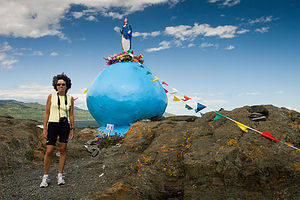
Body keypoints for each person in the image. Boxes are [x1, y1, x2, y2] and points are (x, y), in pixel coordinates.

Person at [40, 73, 74, 188]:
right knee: (49, 150)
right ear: (55, 85)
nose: (61, 86)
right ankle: (45, 177)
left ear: (67, 85)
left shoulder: (69, 98)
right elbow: (47, 112)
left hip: (64, 125)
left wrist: (72, 129)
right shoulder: (51, 96)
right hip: (53, 125)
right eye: (58, 84)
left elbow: (72, 115)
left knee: (63, 149)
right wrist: (45, 127)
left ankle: (60, 175)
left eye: (63, 84)